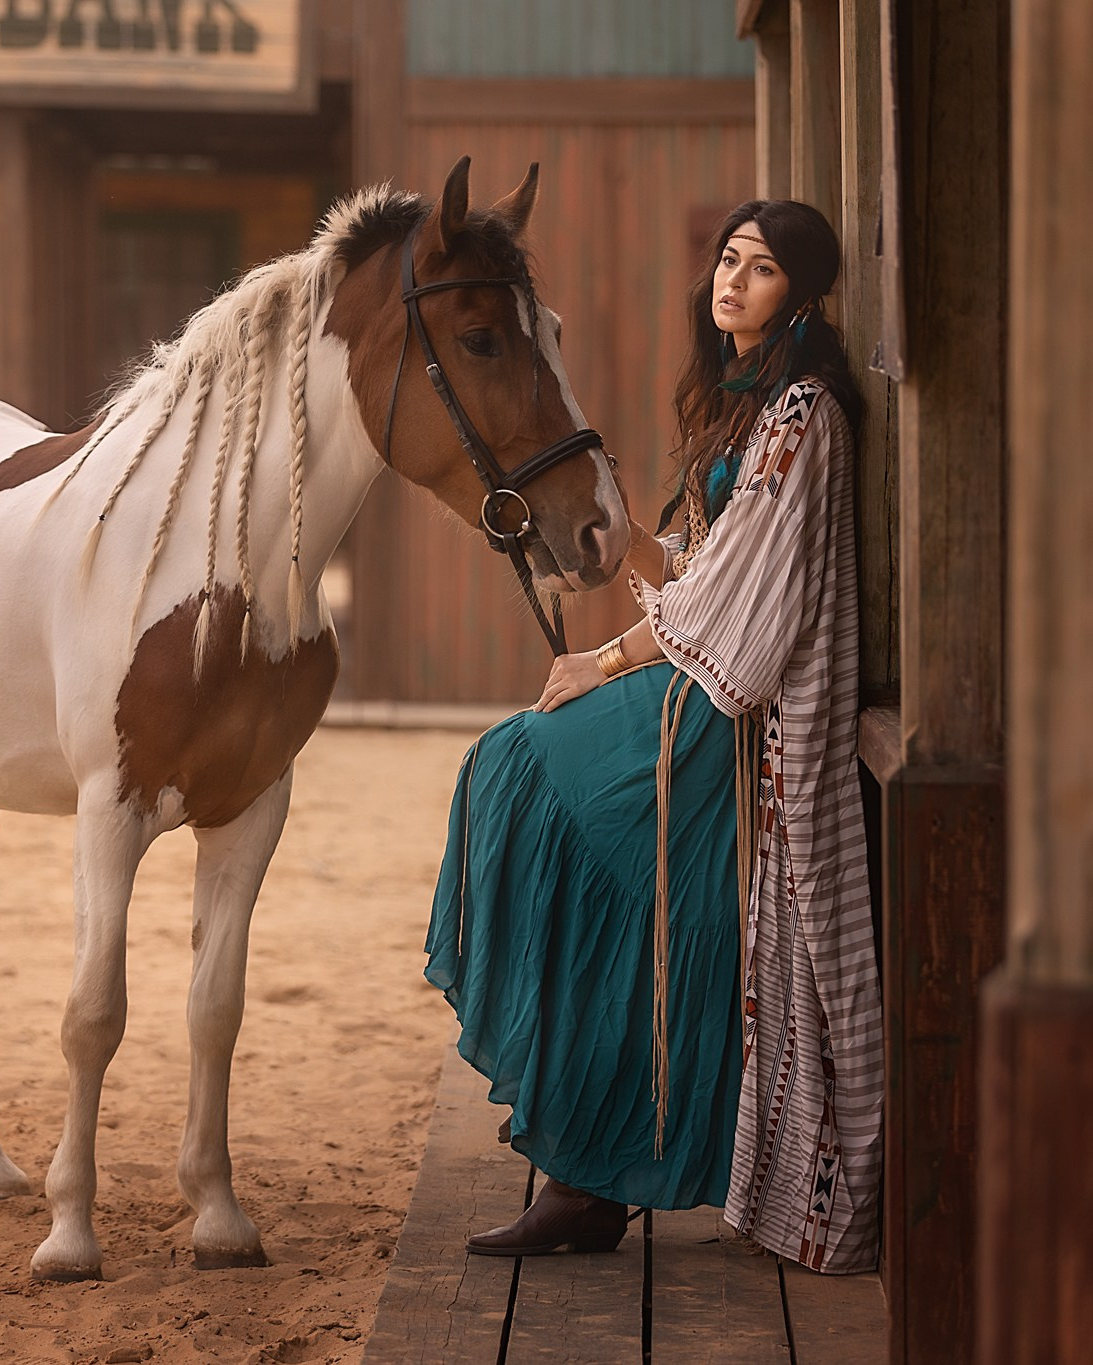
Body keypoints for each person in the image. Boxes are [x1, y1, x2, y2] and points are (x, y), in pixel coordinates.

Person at [425, 199, 881, 1273]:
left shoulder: (803, 415)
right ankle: (578, 1167)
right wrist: (614, 533)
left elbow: (734, 619)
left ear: (800, 297)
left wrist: (601, 661)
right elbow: (694, 572)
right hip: (701, 684)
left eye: (761, 270)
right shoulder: (740, 406)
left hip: (741, 722)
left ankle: (583, 1163)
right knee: (579, 867)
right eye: (727, 259)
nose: (731, 282)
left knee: (517, 770)